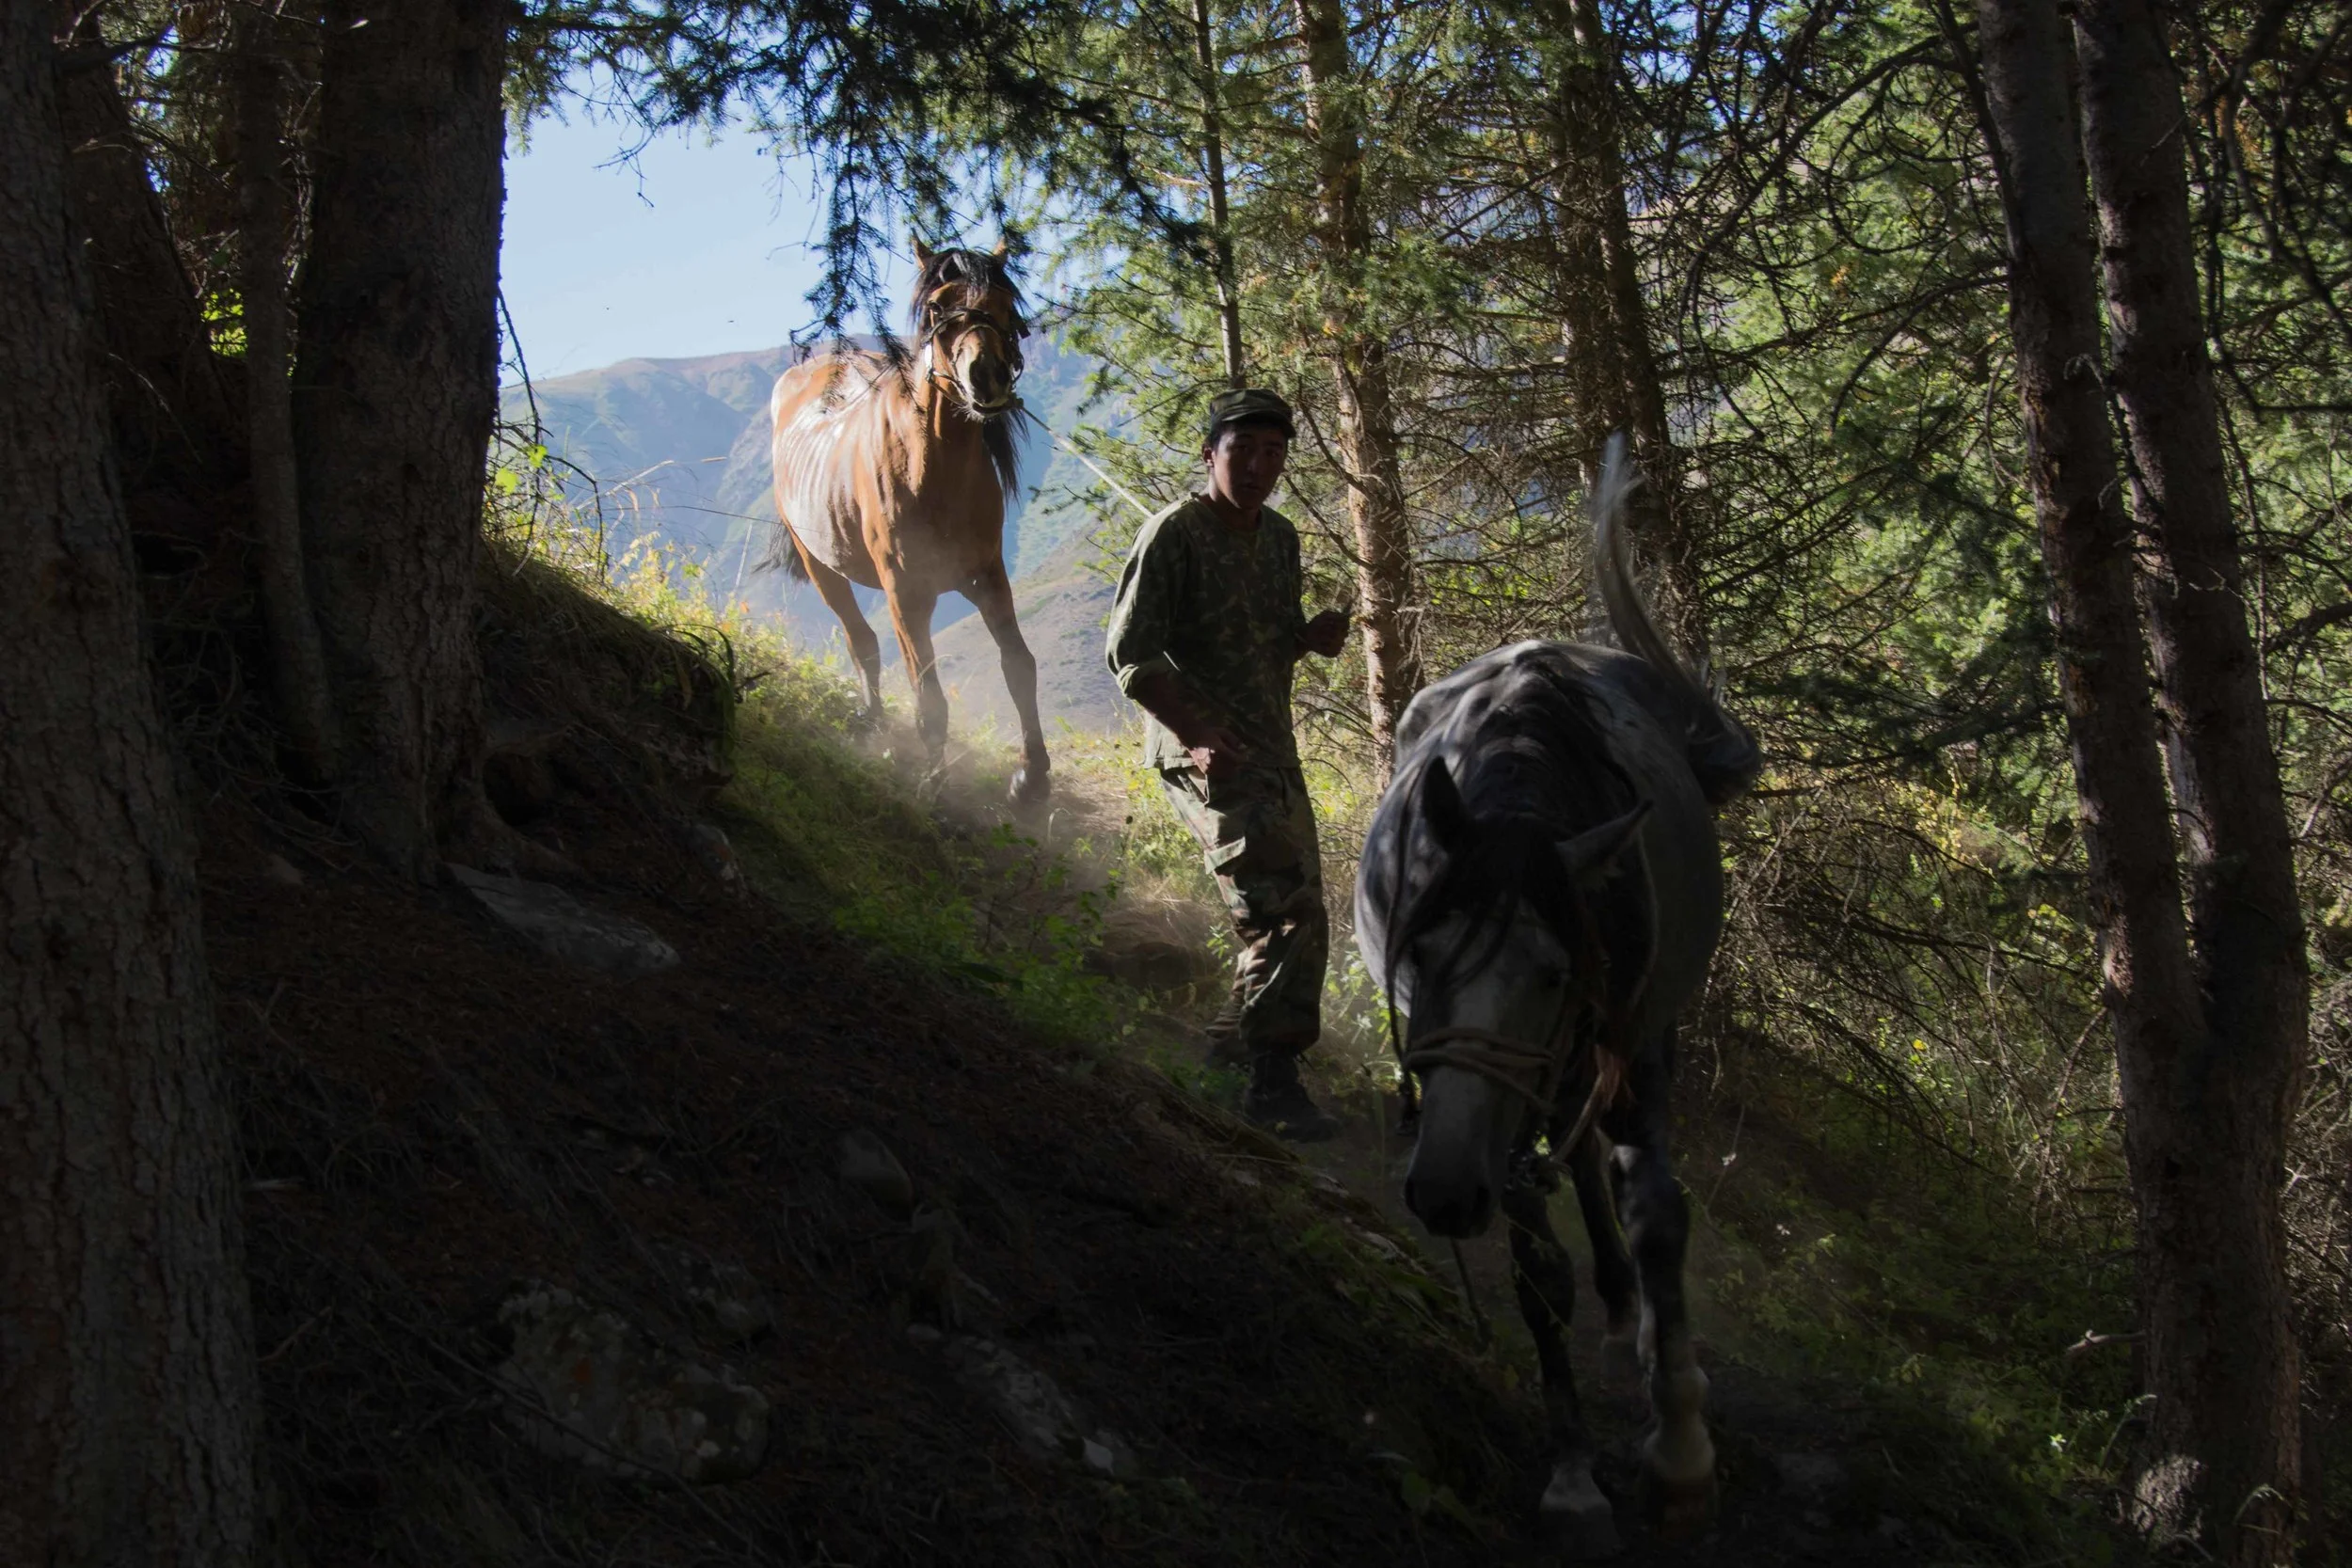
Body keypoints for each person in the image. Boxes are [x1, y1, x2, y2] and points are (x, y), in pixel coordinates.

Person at [1104, 388, 1352, 1141]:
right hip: (1201, 753)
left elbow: (1264, 635)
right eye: (1242, 450)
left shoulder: (1279, 538)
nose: (1258, 467)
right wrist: (1198, 731)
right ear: (1209, 452)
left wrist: (1309, 638)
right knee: (1280, 911)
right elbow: (1130, 655)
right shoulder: (1172, 534)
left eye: (1273, 453)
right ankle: (1269, 1088)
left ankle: (1224, 1051)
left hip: (1270, 746)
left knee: (1306, 907)